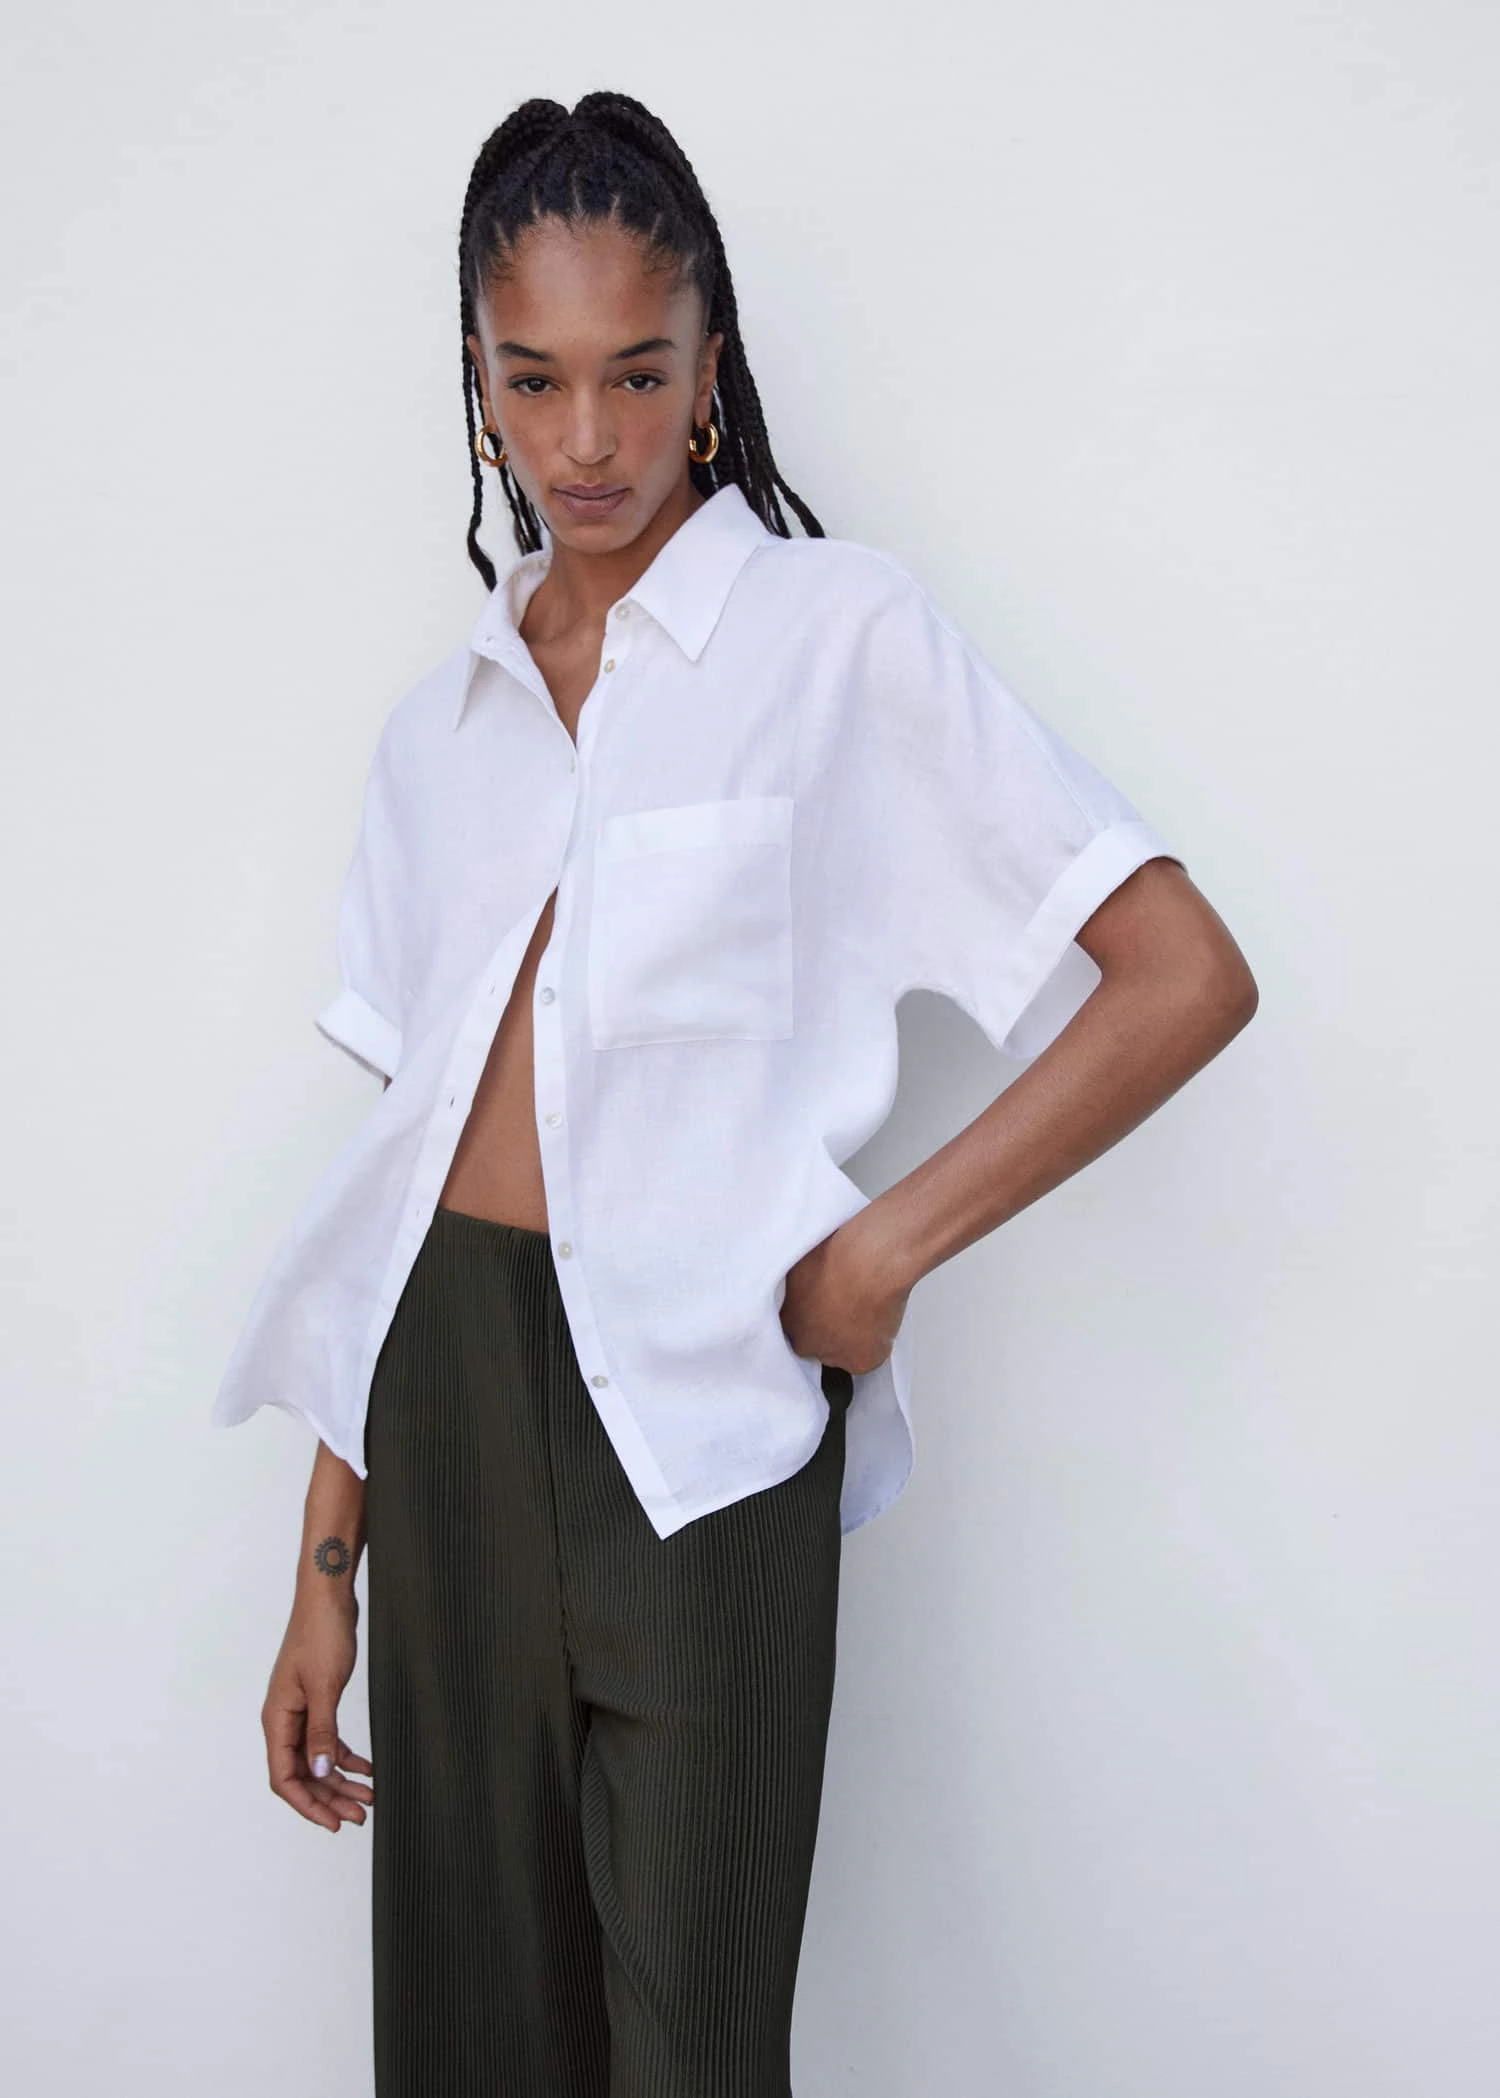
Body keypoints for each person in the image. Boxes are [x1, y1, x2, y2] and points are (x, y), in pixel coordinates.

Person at [213, 89, 1257, 2098]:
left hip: (706, 1436)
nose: (586, 439)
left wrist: (881, 1252)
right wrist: (326, 1563)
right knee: (471, 2039)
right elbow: (399, 1167)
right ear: (477, 385)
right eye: (533, 378)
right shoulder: (441, 732)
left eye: (638, 372)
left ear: (712, 373)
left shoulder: (835, 635)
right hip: (444, 1407)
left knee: (693, 2051)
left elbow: (1180, 976)